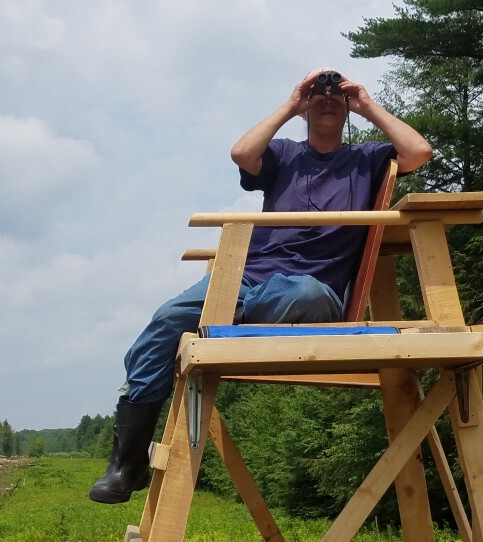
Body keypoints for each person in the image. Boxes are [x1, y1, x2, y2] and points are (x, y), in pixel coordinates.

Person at [88, 67, 432, 504]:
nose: (327, 98)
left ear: (348, 111)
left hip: (312, 290)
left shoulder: (366, 157)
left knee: (297, 295)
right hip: (247, 280)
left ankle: (224, 320)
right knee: (166, 320)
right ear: (306, 107)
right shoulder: (286, 153)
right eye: (317, 94)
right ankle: (127, 463)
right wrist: (292, 104)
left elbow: (419, 151)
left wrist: (364, 101)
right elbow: (242, 152)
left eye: (335, 95)